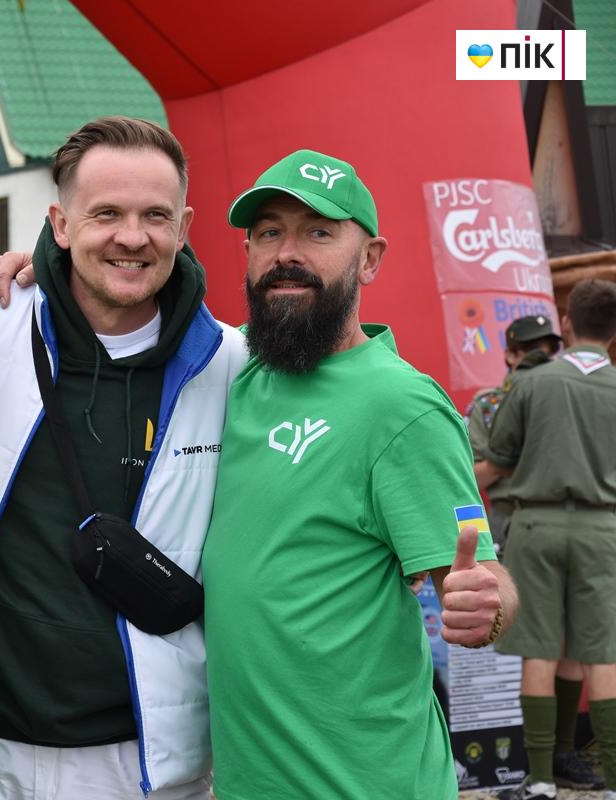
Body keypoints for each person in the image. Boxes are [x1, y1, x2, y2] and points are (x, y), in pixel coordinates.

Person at [0, 116, 247, 799]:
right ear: (60, 223)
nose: (132, 237)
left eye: (155, 216)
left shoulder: (232, 367)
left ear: (185, 226)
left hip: (148, 760)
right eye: (105, 213)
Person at [202, 149, 517, 799]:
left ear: (370, 258)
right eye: (268, 233)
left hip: (367, 783)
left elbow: (482, 579)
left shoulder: (400, 405)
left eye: (318, 232)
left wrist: (488, 603)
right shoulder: (237, 374)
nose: (288, 252)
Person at [480, 279, 616, 800]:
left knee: (538, 651)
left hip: (535, 526)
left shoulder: (532, 386)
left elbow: (500, 458)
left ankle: (539, 783)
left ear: (567, 323)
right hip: (602, 528)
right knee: (601, 655)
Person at [469, 313, 562, 552]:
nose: (542, 361)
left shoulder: (569, 399)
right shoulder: (488, 404)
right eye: (532, 353)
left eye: (548, 354)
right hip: (509, 516)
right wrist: (503, 459)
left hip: (562, 519)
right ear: (510, 356)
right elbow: (467, 477)